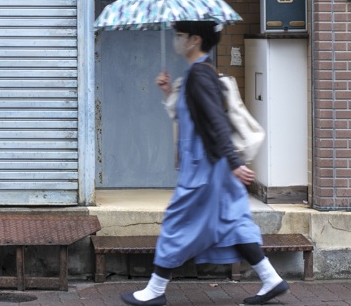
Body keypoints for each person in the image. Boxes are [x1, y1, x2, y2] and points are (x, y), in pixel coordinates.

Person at [121, 20, 289, 306]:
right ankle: (271, 278)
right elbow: (193, 118)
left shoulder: (199, 75)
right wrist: (167, 92)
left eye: (179, 35)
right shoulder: (196, 74)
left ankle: (155, 289)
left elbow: (215, 122)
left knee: (178, 222)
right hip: (211, 163)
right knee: (232, 222)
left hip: (204, 167)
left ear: (194, 40)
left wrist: (234, 162)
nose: (176, 40)